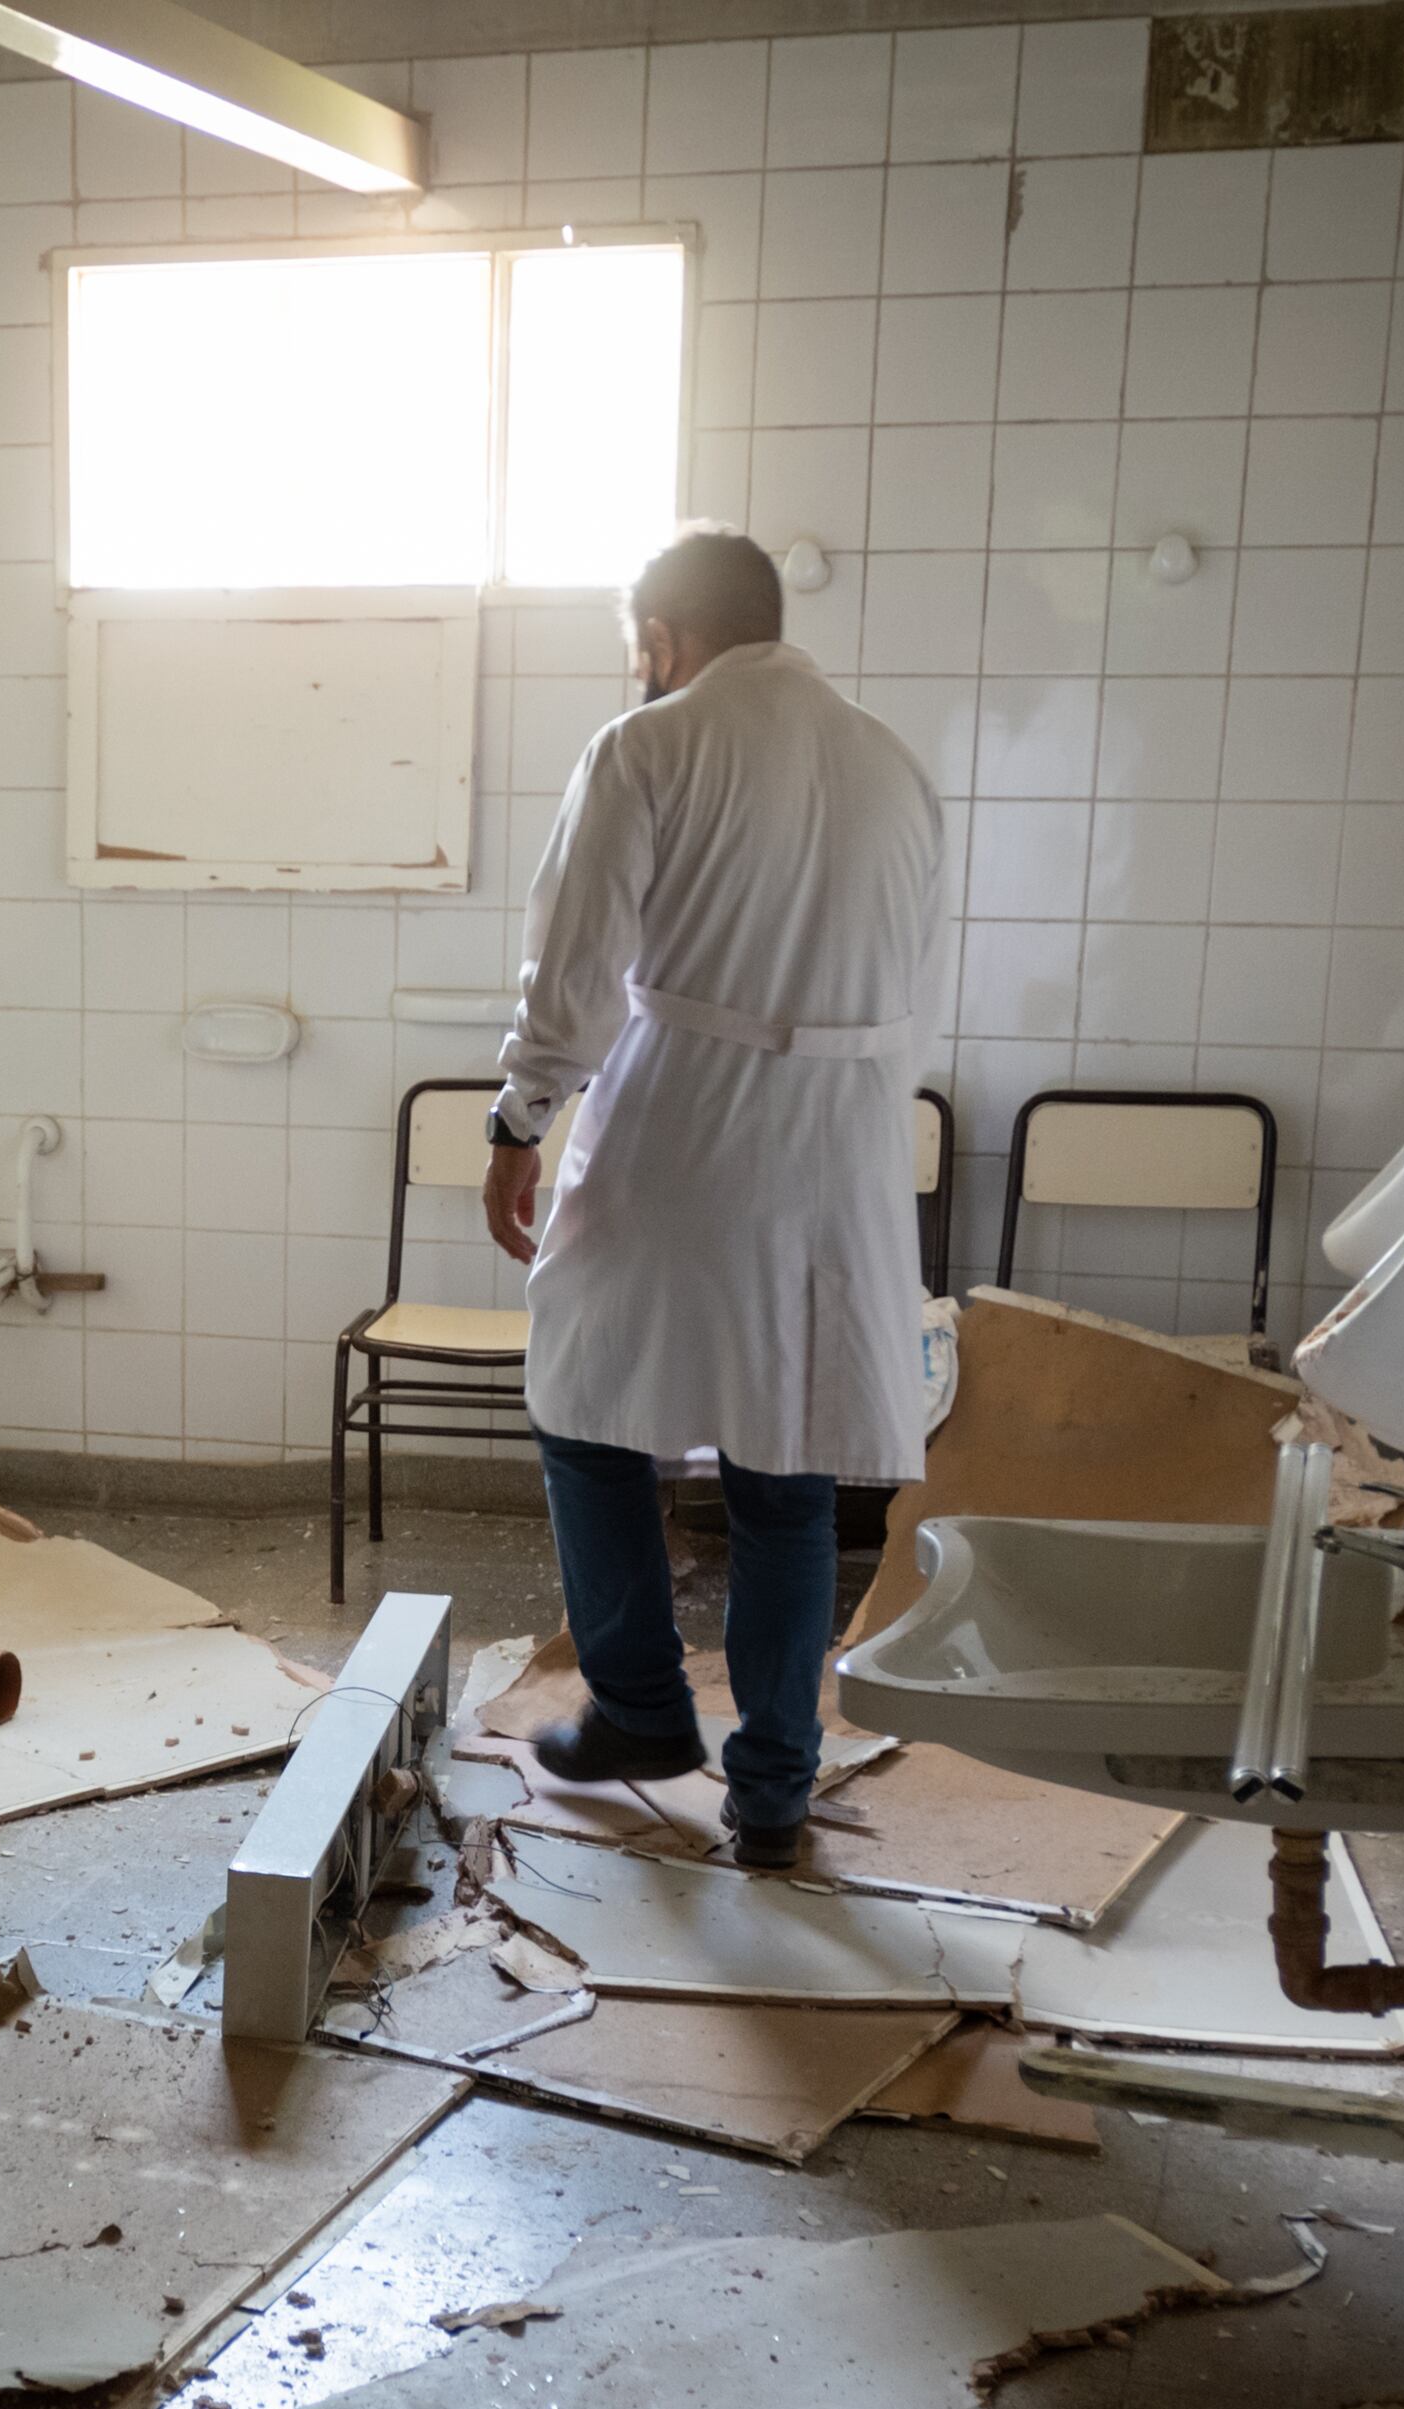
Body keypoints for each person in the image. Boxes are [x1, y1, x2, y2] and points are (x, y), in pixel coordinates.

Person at [485, 523, 945, 1870]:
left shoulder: (648, 745)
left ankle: (637, 1705)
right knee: (789, 1468)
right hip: (847, 1144)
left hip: (682, 1131)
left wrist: (521, 1116)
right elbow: (925, 986)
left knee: (585, 1409)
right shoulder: (895, 764)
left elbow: (573, 975)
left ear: (661, 639)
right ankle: (776, 1787)